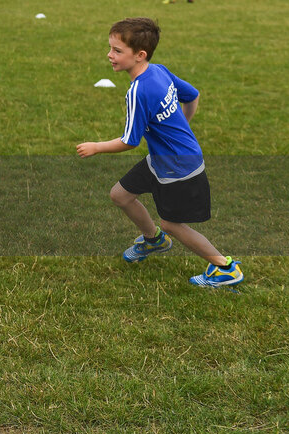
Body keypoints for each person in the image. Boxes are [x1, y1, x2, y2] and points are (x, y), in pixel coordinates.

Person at [76, 17, 245, 288]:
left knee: (172, 224)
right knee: (120, 195)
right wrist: (181, 127)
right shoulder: (159, 70)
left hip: (177, 166)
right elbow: (192, 95)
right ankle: (153, 240)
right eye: (110, 48)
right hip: (162, 158)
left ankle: (225, 268)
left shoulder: (139, 90)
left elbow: (130, 141)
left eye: (117, 51)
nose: (110, 55)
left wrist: (96, 147)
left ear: (139, 55)